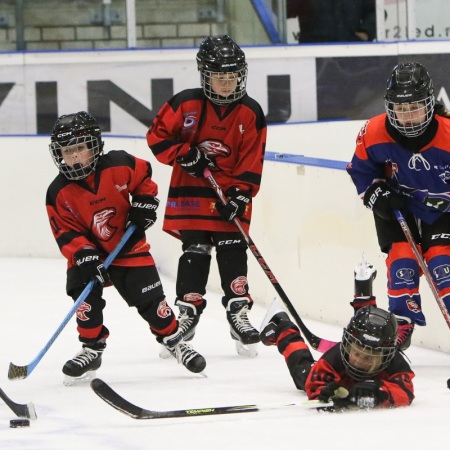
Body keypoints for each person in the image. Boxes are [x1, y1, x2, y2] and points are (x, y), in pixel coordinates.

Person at [46, 111, 206, 384]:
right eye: (66, 151)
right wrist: (84, 254)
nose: (72, 157)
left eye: (79, 149)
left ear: (94, 146)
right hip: (89, 256)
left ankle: (174, 339)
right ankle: (91, 348)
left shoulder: (119, 164)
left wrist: (144, 202)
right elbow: (64, 231)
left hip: (128, 247)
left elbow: (144, 178)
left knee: (154, 304)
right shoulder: (57, 192)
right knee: (85, 302)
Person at [146, 35, 267, 358]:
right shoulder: (185, 103)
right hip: (192, 191)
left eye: (232, 76)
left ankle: (238, 312)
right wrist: (184, 154)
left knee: (232, 248)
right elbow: (156, 137)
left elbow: (253, 158)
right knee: (195, 250)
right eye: (219, 76)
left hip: (229, 194)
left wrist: (241, 196)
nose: (227, 83)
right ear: (205, 75)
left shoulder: (251, 111)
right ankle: (187, 313)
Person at [347, 61, 450, 351]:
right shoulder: (374, 131)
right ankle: (402, 322)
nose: (407, 116)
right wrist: (376, 194)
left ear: (430, 103)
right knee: (402, 262)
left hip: (443, 210)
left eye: (414, 107)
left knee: (443, 266)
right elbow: (361, 171)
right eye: (400, 108)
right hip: (396, 207)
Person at [260, 259, 414, 410]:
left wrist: (379, 393)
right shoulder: (333, 360)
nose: (359, 361)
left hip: (355, 380)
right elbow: (314, 386)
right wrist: (326, 395)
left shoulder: (395, 363)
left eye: (368, 358)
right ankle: (282, 326)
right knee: (304, 375)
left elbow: (406, 392)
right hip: (336, 378)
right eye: (356, 353)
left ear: (384, 357)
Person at [286, 0, 376, 43]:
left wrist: (366, 32)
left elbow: (376, 11)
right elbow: (284, 10)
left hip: (351, 53)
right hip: (313, 54)